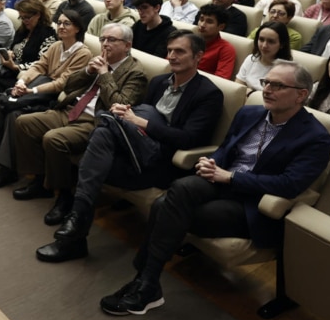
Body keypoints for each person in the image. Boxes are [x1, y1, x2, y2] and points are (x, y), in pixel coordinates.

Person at [98, 62, 330, 316]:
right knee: (178, 191)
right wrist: (213, 163)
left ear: (301, 94)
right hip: (221, 182)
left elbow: (290, 184)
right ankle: (147, 283)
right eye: (266, 83)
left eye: (278, 85)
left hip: (252, 204)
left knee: (164, 206)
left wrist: (230, 177)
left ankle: (145, 281)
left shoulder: (315, 137)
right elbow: (225, 149)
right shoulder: (249, 114)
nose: (267, 90)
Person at [36, 31, 223, 263]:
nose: (172, 56)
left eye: (180, 51)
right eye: (170, 50)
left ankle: (75, 227)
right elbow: (137, 119)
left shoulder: (209, 94)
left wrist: (142, 122)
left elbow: (189, 139)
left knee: (98, 142)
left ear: (198, 57)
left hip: (159, 163)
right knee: (105, 129)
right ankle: (75, 230)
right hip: (132, 150)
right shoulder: (159, 83)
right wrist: (129, 116)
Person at [10, 22, 146, 211]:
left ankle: (65, 195)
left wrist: (105, 74)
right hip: (70, 109)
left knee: (53, 139)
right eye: (103, 39)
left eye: (112, 40)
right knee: (24, 123)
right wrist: (88, 71)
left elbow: (120, 105)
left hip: (95, 121)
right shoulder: (98, 60)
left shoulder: (136, 73)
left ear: (127, 45)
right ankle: (40, 181)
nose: (105, 44)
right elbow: (69, 86)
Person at [0, 9, 92, 187]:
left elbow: (62, 83)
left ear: (77, 28)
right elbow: (38, 67)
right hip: (37, 90)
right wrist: (22, 81)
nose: (61, 26)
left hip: (55, 98)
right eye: (59, 23)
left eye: (66, 23)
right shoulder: (56, 46)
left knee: (14, 114)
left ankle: (9, 169)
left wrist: (32, 90)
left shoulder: (83, 54)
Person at [0, 0, 54, 139]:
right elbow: (14, 48)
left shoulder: (48, 36)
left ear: (38, 15)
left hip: (24, 77)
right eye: (22, 17)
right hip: (8, 71)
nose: (24, 21)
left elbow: (41, 64)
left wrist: (16, 66)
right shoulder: (23, 30)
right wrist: (10, 53)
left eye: (27, 17)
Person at [236, 21, 292, 91]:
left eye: (271, 41)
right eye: (261, 39)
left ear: (282, 45)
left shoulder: (288, 71)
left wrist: (249, 92)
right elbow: (238, 88)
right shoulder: (251, 59)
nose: (264, 45)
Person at [195, 4, 235, 79]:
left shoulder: (226, 49)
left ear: (221, 27)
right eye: (201, 19)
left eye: (209, 22)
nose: (202, 25)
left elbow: (221, 79)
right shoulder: (188, 41)